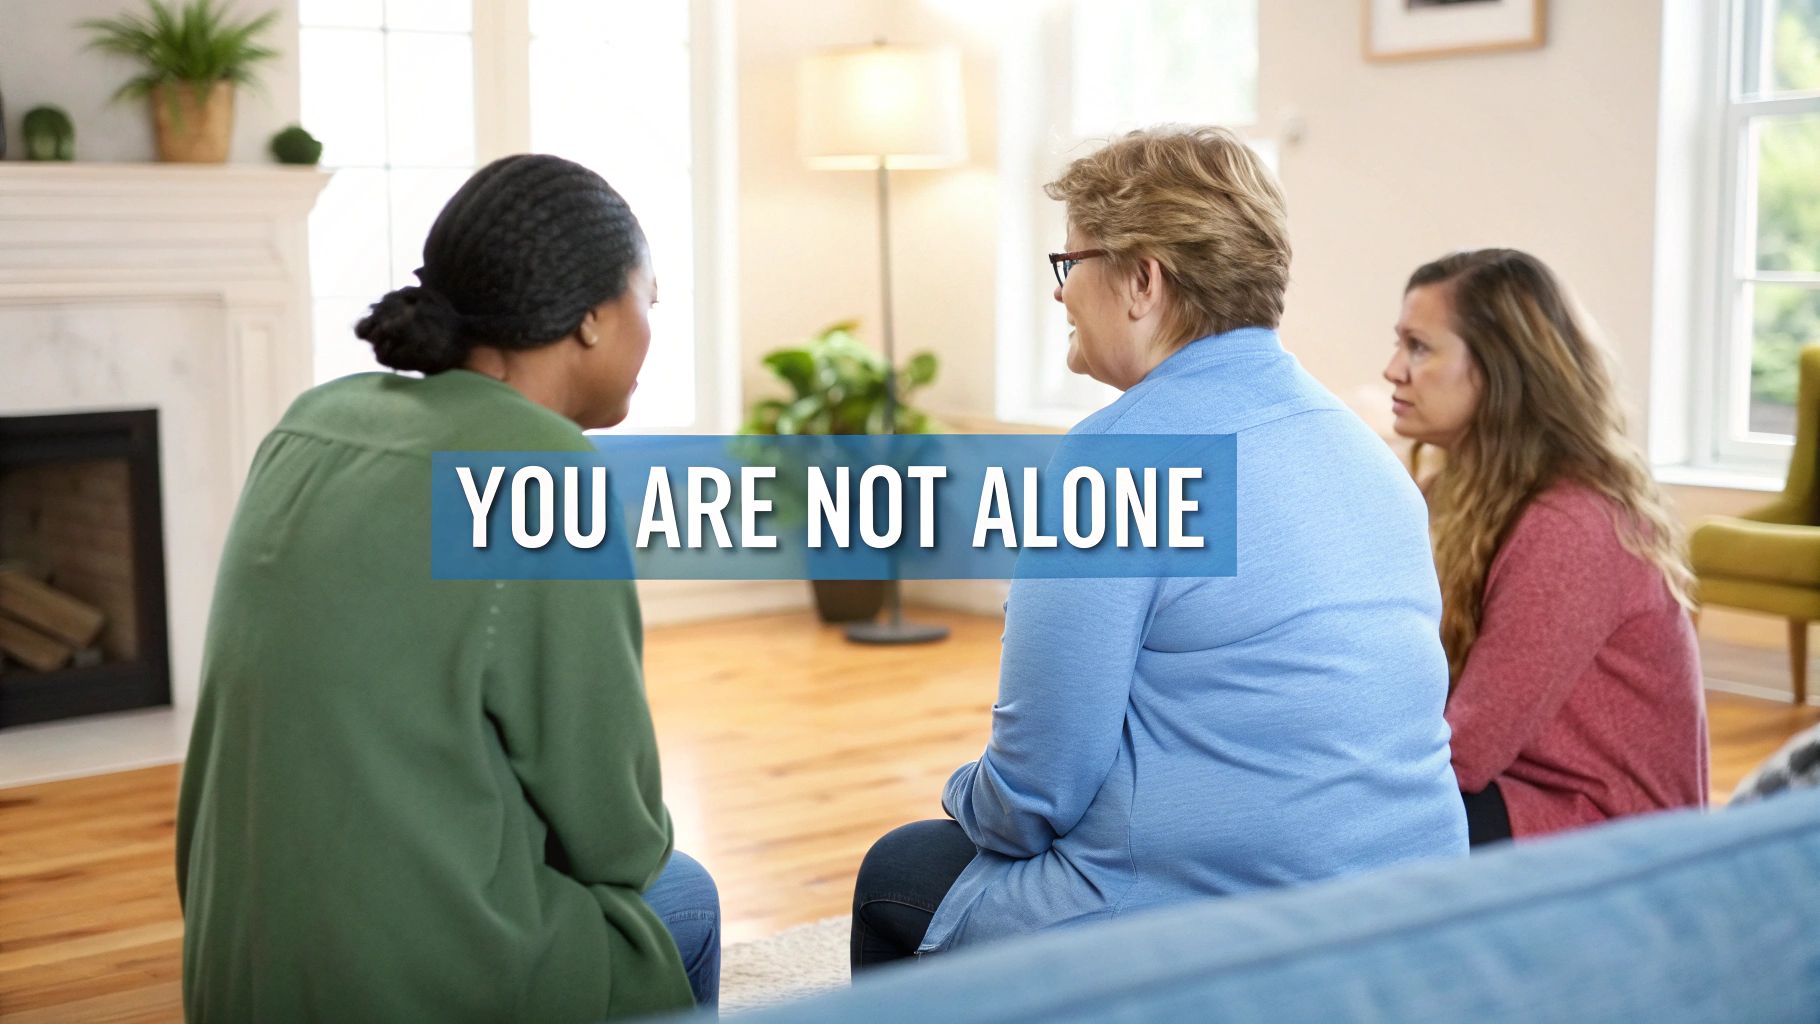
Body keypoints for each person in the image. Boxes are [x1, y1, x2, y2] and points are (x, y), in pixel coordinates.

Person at [851, 127, 1467, 969]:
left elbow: (1033, 797)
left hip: (1230, 930)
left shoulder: (1117, 462)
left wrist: (962, 791)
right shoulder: (1365, 451)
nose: (1061, 293)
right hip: (1411, 906)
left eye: (1071, 264)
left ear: (1143, 281)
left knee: (899, 869)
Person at [175, 154, 718, 1022]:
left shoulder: (313, 420)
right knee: (683, 896)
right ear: (591, 318)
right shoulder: (541, 472)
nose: (652, 328)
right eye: (649, 299)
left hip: (239, 971)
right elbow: (620, 839)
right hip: (408, 987)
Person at [1383, 248, 1707, 846]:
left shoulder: (1575, 524)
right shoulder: (1449, 494)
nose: (1392, 370)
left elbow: (1468, 751)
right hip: (1514, 791)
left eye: (1419, 347)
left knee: (1336, 824)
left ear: (1499, 368)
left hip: (1608, 832)